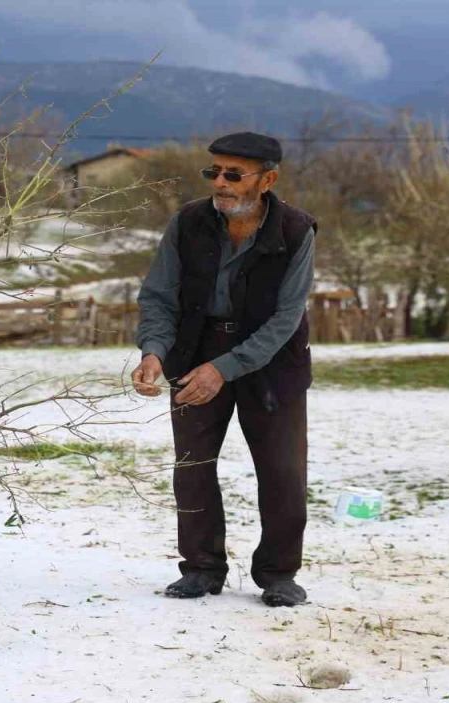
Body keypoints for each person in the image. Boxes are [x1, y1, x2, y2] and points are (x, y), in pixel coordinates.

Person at [131, 132, 316, 608]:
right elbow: (158, 295)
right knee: (192, 467)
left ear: (267, 180)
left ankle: (279, 574)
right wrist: (154, 350)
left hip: (272, 360)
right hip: (196, 349)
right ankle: (200, 568)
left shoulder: (297, 230)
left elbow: (285, 319)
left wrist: (224, 368)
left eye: (233, 174)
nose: (220, 182)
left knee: (282, 470)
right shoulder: (187, 222)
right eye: (213, 172)